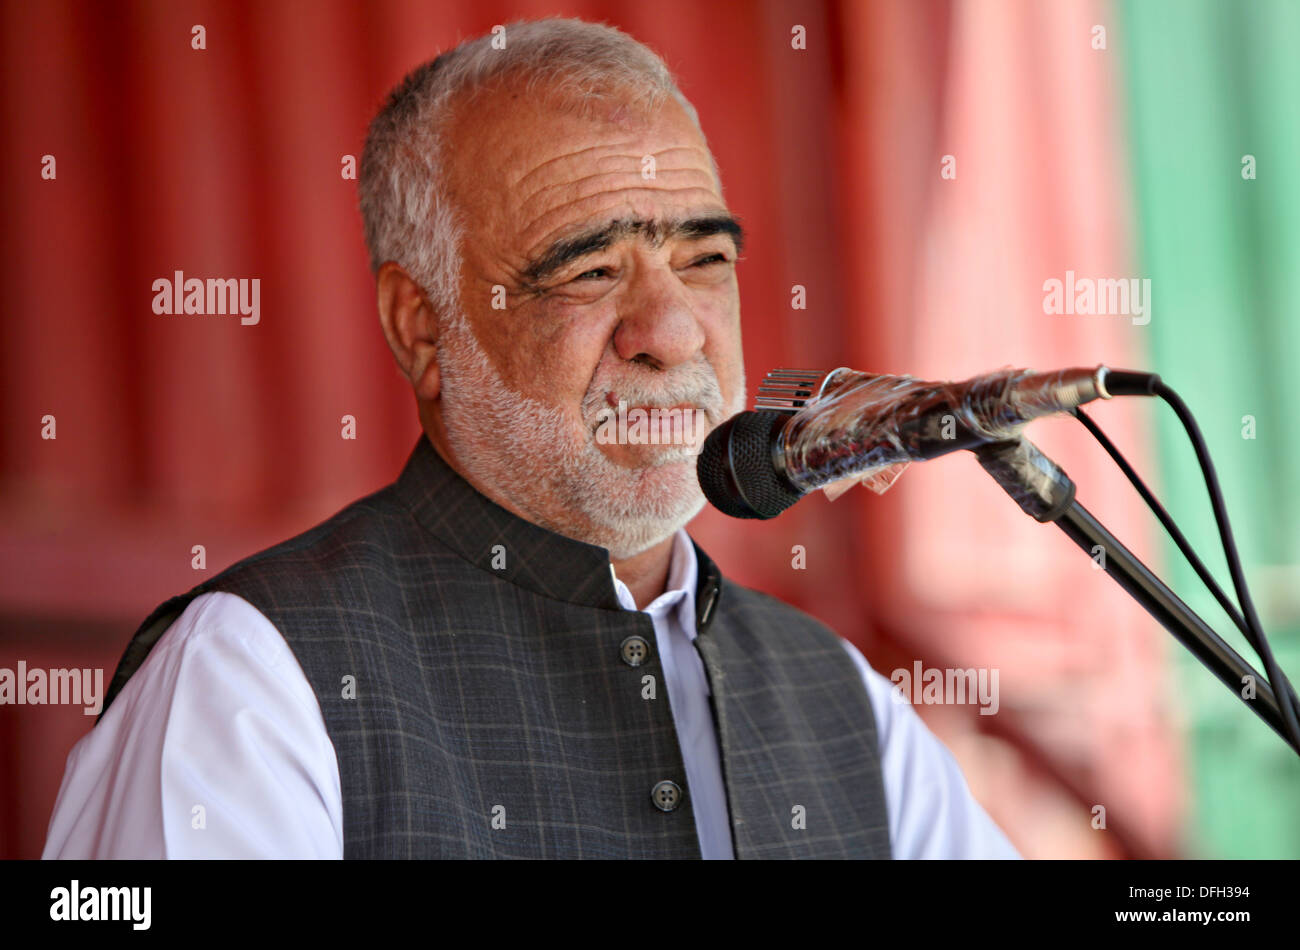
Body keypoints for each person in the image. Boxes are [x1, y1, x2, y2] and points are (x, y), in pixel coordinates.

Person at [43, 17, 1020, 860]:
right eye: (589, 269)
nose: (672, 331)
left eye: (704, 258)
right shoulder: (252, 676)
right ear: (421, 328)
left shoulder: (836, 699)